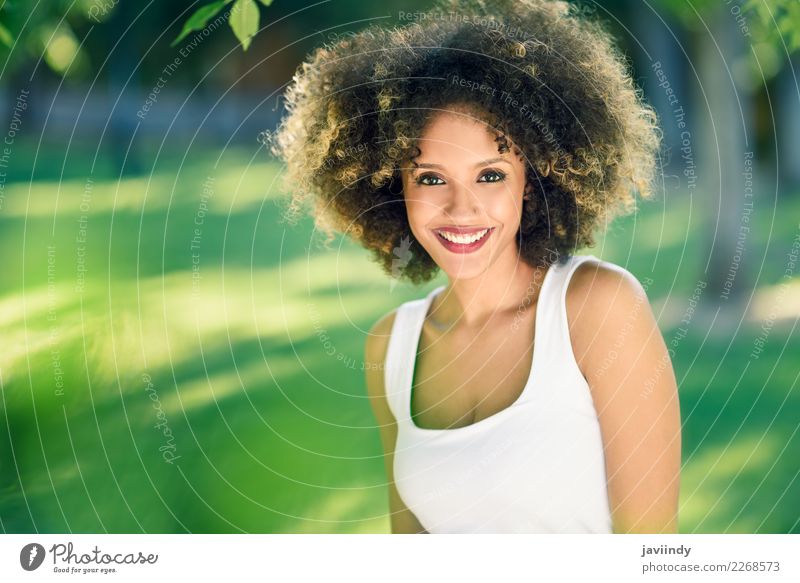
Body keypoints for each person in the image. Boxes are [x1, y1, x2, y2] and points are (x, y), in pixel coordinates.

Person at [268, 0, 681, 533]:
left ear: (532, 182)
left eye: (489, 176)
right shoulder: (393, 347)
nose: (461, 210)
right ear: (394, 186)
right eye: (431, 178)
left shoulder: (597, 309)